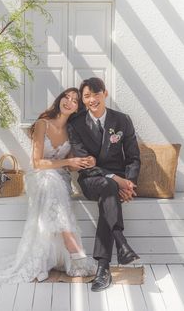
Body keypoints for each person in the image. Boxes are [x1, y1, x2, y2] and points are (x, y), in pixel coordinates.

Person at [0, 87, 96, 284]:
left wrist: (85, 161)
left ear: (77, 108)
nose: (69, 101)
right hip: (39, 177)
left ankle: (61, 250)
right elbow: (36, 163)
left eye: (75, 100)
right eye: (66, 97)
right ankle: (70, 242)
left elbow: (70, 163)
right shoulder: (42, 124)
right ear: (60, 100)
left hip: (60, 180)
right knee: (49, 180)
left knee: (55, 182)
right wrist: (67, 163)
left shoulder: (72, 130)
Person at [67, 77, 141, 292]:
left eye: (95, 94)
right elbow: (84, 162)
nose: (92, 100)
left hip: (117, 182)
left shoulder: (122, 120)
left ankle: (103, 268)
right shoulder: (76, 124)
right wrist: (115, 179)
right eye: (86, 96)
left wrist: (129, 184)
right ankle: (121, 242)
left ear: (105, 94)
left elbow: (134, 157)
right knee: (108, 187)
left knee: (109, 193)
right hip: (91, 179)